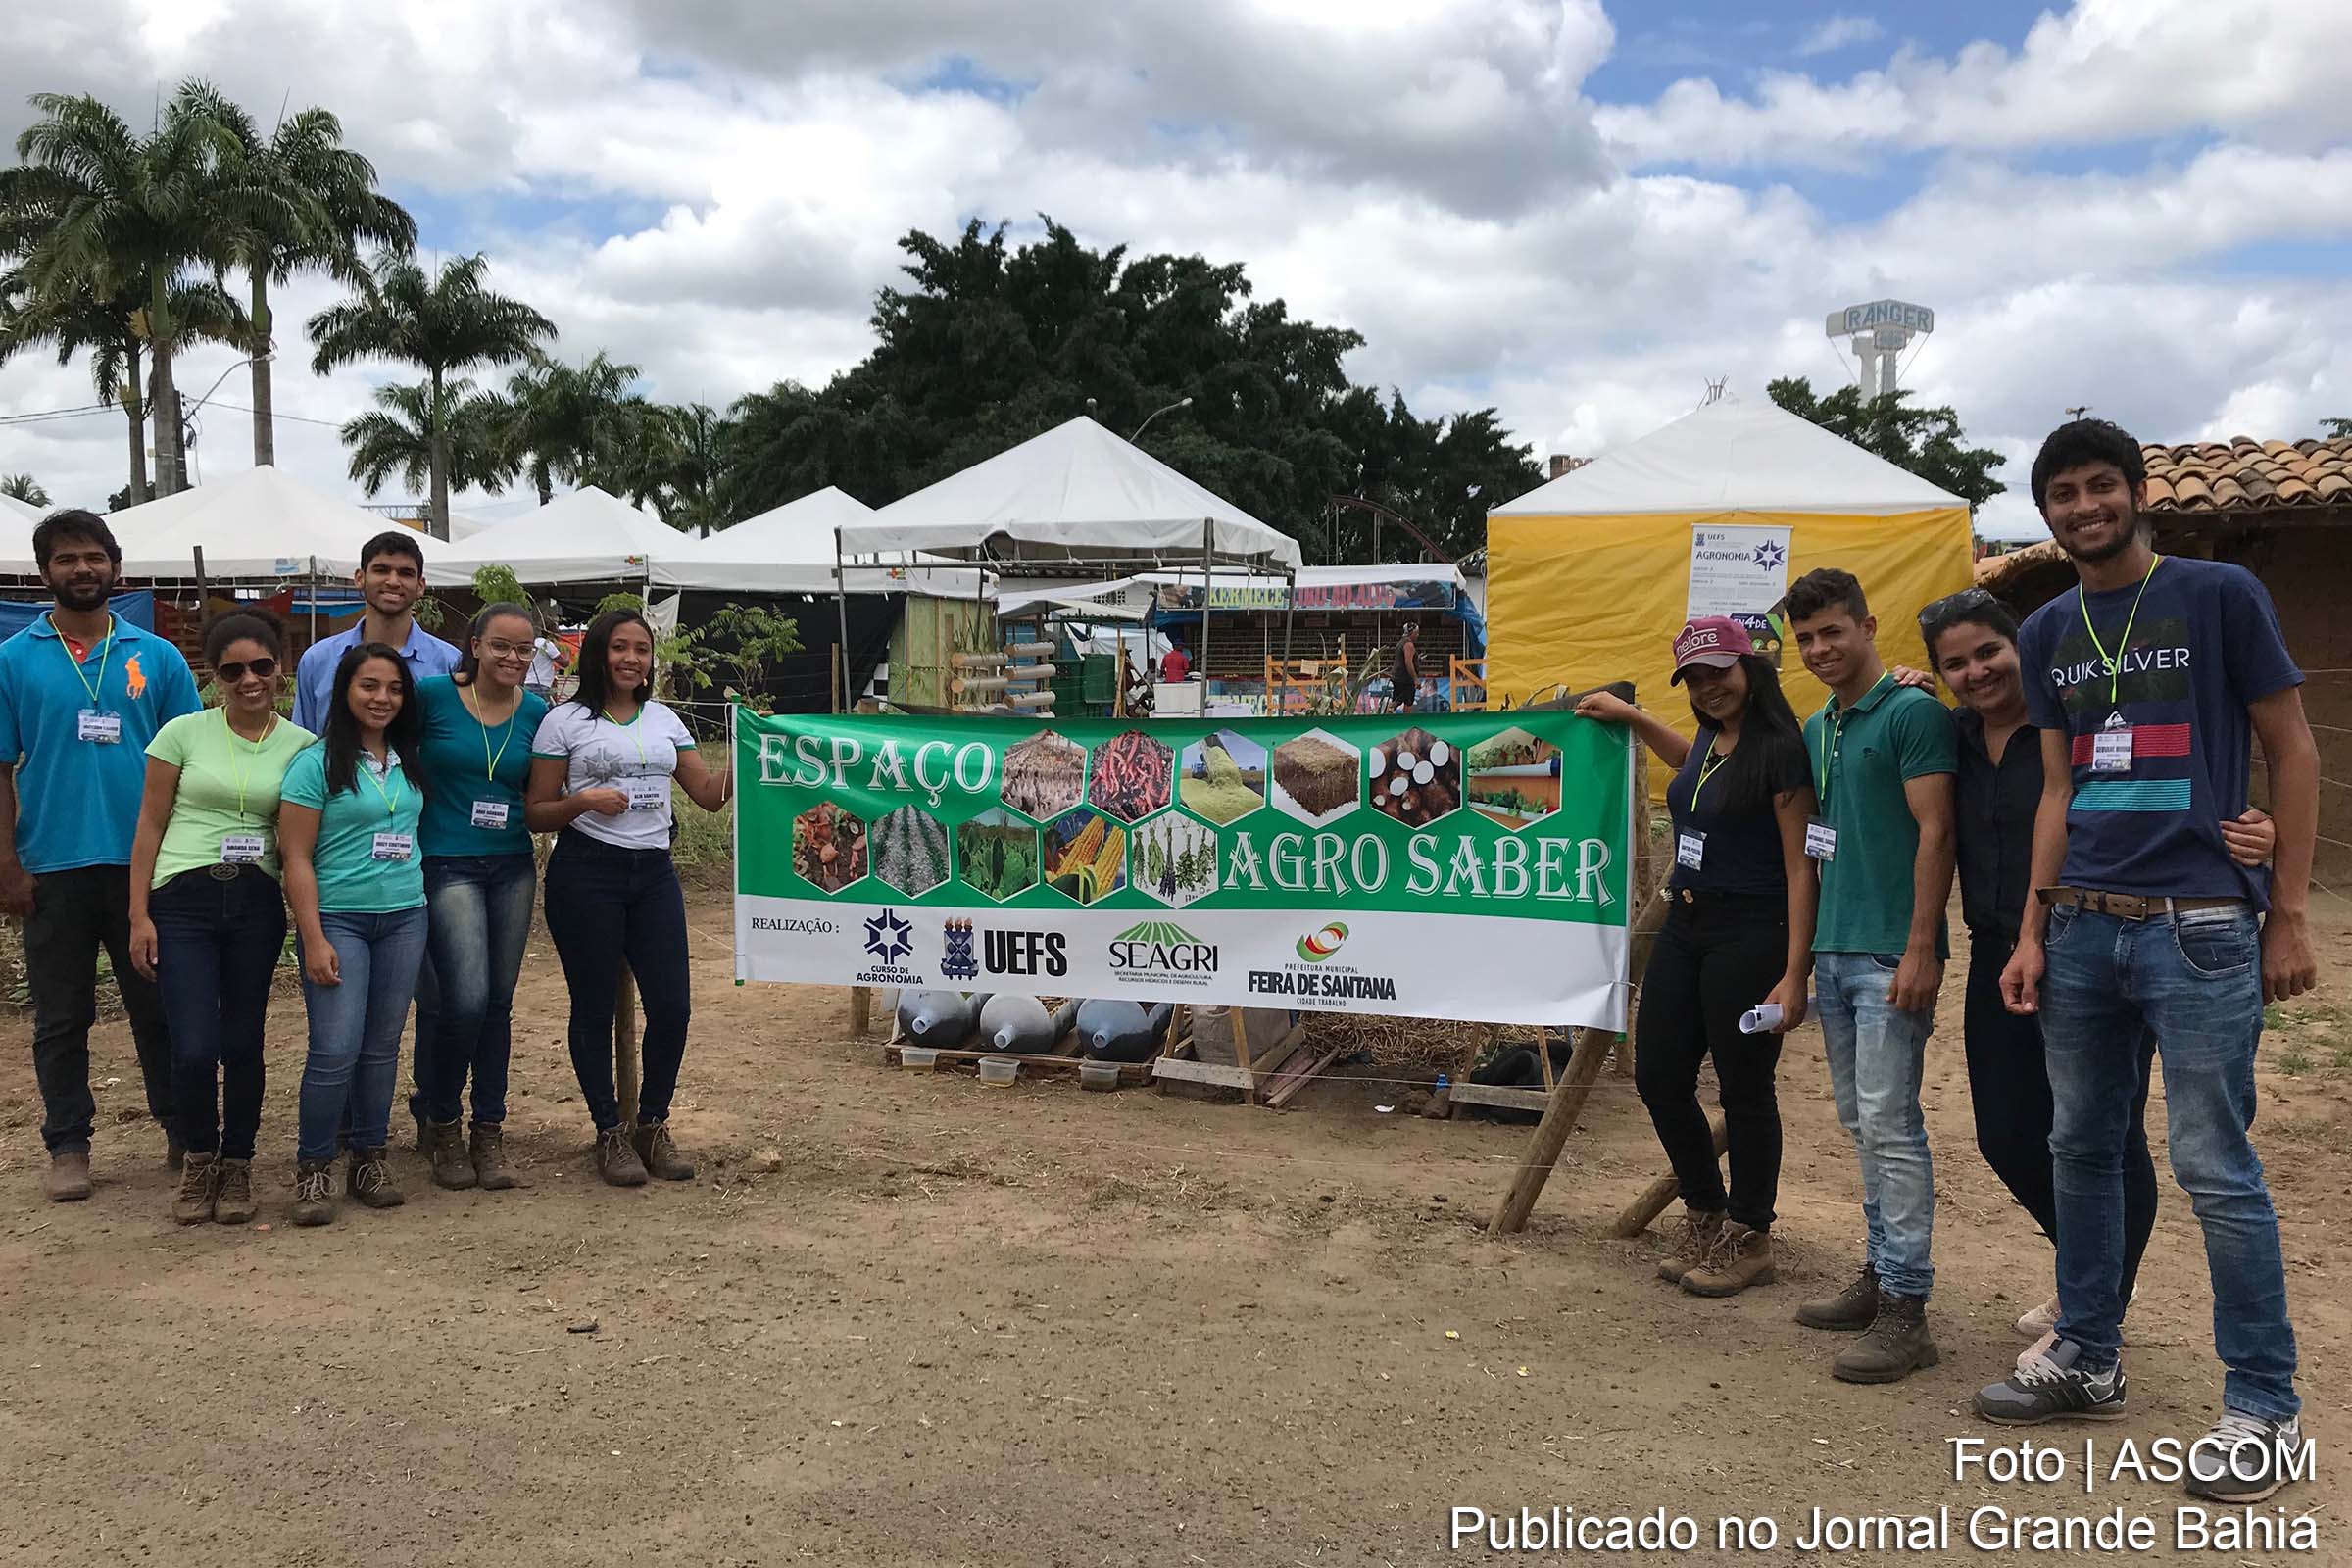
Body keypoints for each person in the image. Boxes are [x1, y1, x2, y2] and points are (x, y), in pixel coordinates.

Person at [1975, 419, 2317, 1503]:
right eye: (2063, 494)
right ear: (2047, 514)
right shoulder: (2046, 632)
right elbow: (2058, 793)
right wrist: (2032, 930)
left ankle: (2263, 1406)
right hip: (2080, 924)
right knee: (2079, 1144)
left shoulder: (2218, 595)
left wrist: (2290, 911)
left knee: (2216, 1167)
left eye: (2099, 487)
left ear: (2135, 492)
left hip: (2200, 924)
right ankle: (2087, 1354)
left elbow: (2292, 747)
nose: (2083, 507)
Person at [1910, 593, 2275, 1363]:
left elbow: (2175, 778)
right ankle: (2093, 1276)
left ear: (2024, 648)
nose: (1976, 672)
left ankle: (2096, 1299)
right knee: (2007, 1132)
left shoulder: (2078, 730)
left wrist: (2255, 826)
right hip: (1996, 949)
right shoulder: (1952, 737)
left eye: (1988, 653)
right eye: (1955, 663)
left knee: (2101, 1133)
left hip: (2088, 937)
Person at [1577, 616, 1816, 1298]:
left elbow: (1802, 867)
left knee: (1743, 1087)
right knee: (1658, 1074)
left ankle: (1751, 1233)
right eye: (1697, 679)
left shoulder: (1781, 751)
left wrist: (1794, 973)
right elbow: (1695, 768)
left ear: (1752, 668)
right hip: (1686, 925)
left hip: (1751, 931)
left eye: (1721, 673)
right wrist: (1633, 717)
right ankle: (1705, 1209)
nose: (1710, 688)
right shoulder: (1714, 740)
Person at [1785, 566, 1957, 1384]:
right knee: (1862, 1121)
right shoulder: (1822, 725)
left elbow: (1936, 832)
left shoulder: (1914, 713)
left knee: (1891, 1124)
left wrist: (1922, 946)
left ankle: (1907, 1309)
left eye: (1833, 632)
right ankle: (1881, 1272)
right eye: (1807, 637)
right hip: (1835, 950)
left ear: (1868, 625)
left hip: (1892, 952)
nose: (1821, 648)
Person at [0, 509, 201, 1200]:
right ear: (44, 572)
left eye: (93, 557)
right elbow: (0, 769)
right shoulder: (13, 657)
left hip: (147, 867)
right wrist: (7, 866)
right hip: (51, 865)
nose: (81, 569)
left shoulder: (159, 656)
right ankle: (69, 1145)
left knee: (161, 1007)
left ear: (116, 567)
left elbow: (191, 765)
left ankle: (182, 1129)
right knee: (61, 1015)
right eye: (65, 559)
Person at [526, 609, 730, 1187]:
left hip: (654, 874)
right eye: (620, 647)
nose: (631, 659)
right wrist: (585, 802)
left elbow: (708, 796)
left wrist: (749, 757)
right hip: (586, 872)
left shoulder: (665, 719)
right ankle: (608, 1131)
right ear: (598, 653)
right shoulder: (563, 721)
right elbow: (536, 812)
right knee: (592, 1008)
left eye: (641, 649)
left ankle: (653, 1124)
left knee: (673, 1007)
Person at [127, 611, 314, 1225]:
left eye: (261, 666)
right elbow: (150, 823)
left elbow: (298, 841)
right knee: (193, 1044)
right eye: (233, 670)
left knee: (242, 1041)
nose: (249, 680)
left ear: (279, 669)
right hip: (182, 898)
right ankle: (199, 1157)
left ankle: (238, 1164)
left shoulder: (301, 746)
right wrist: (139, 916)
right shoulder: (182, 734)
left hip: (255, 901)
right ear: (214, 676)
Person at [291, 529, 459, 1146]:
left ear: (420, 585)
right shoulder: (318, 661)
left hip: (420, 862)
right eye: (380, 569)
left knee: (427, 1006)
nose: (392, 581)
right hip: (338, 872)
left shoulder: (444, 662)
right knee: (341, 1028)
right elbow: (307, 755)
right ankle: (330, 1139)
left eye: (405, 572)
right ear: (359, 578)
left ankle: (415, 1121)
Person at [279, 645, 430, 1226]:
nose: (382, 699)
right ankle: (314, 1166)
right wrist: (312, 937)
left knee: (381, 1047)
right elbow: (295, 856)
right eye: (369, 686)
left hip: (404, 915)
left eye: (393, 688)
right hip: (339, 919)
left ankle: (369, 1158)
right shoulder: (315, 763)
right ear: (344, 690)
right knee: (334, 1048)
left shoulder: (408, 758)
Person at [412, 604, 550, 1192]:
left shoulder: (538, 712)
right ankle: (441, 1119)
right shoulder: (432, 697)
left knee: (498, 1003)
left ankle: (488, 1129)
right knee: (462, 1000)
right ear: (474, 644)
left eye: (525, 650)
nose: (514, 659)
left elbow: (547, 784)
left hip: (513, 864)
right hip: (446, 861)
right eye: (501, 646)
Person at [525, 628, 571, 703]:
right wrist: (567, 653)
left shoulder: (529, 642)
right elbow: (564, 663)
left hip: (527, 683)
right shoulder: (546, 643)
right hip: (541, 684)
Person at [1392, 622, 1421, 711]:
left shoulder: (1401, 642)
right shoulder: (1409, 644)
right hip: (1405, 679)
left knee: (1397, 700)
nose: (1418, 635)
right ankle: (1407, 722)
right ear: (1411, 633)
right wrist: (1415, 679)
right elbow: (1408, 663)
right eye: (1417, 633)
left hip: (1398, 677)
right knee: (1408, 702)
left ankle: (1387, 719)